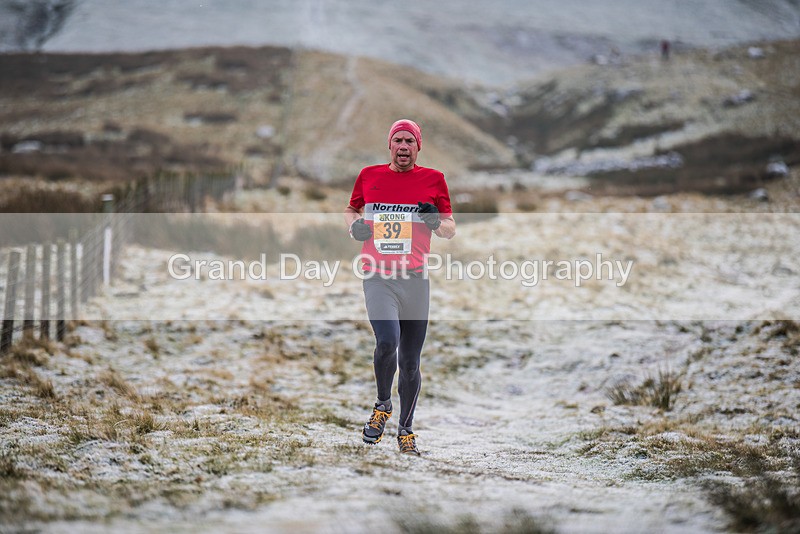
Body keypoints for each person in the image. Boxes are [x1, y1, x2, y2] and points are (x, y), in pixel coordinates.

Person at [344, 119, 455, 455]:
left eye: (410, 141)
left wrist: (435, 220)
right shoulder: (369, 176)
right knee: (387, 342)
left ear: (418, 146)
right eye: (398, 140)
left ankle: (406, 430)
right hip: (378, 276)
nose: (404, 146)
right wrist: (355, 229)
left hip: (415, 281)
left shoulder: (434, 180)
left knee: (409, 362)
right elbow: (352, 210)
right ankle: (382, 405)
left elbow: (449, 228)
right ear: (389, 146)